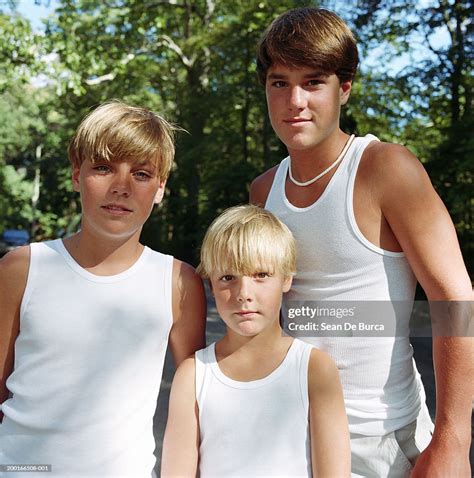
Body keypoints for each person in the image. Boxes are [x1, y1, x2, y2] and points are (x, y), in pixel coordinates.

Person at [249, 7, 472, 478]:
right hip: (288, 431)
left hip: (380, 441)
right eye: (279, 82)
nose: (295, 100)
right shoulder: (262, 191)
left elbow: (454, 298)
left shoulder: (385, 169)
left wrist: (453, 441)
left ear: (344, 87)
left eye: (313, 82)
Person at [0, 101, 206, 477]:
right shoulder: (22, 268)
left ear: (160, 188)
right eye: (103, 167)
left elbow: (193, 408)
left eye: (141, 174)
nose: (121, 187)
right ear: (77, 175)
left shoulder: (178, 283)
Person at [161, 205, 350, 477]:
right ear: (211, 284)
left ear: (287, 278)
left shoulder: (315, 369)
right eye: (228, 277)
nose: (243, 293)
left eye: (261, 275)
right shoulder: (192, 375)